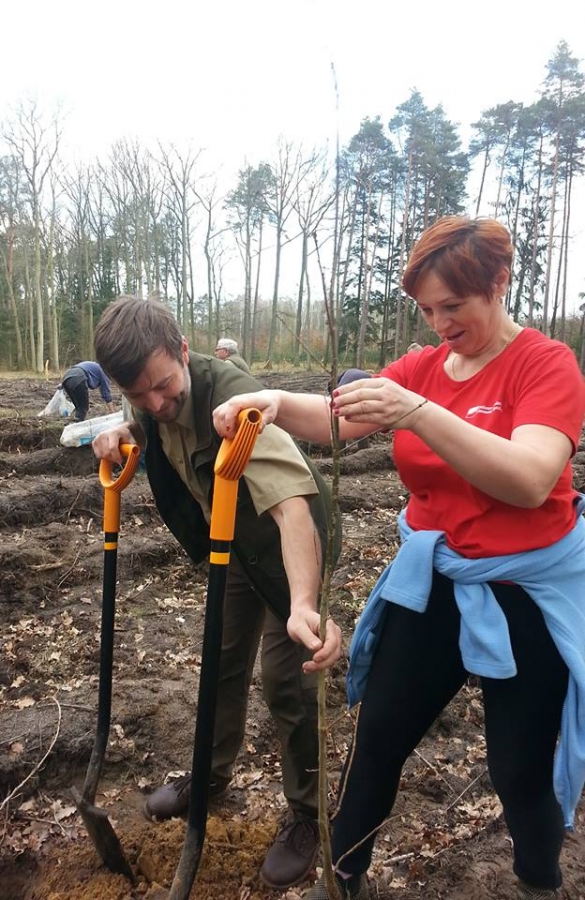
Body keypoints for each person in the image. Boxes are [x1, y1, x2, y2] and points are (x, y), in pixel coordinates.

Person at [213, 216, 585, 900]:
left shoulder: (545, 363)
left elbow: (531, 478)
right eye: (427, 310)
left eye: (453, 306)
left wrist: (417, 412)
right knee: (377, 736)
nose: (439, 323)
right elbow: (339, 418)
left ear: (499, 283)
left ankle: (539, 882)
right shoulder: (422, 368)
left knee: (518, 770)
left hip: (522, 593)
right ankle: (342, 878)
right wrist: (270, 401)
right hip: (436, 581)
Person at [91, 296, 343, 890]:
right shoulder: (147, 397)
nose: (156, 402)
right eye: (137, 394)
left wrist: (302, 604)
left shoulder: (235, 400)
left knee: (287, 681)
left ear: (184, 351)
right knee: (221, 661)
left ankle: (308, 814)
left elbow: (292, 505)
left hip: (288, 548)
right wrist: (126, 428)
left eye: (163, 386)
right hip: (231, 547)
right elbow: (150, 416)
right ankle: (210, 776)